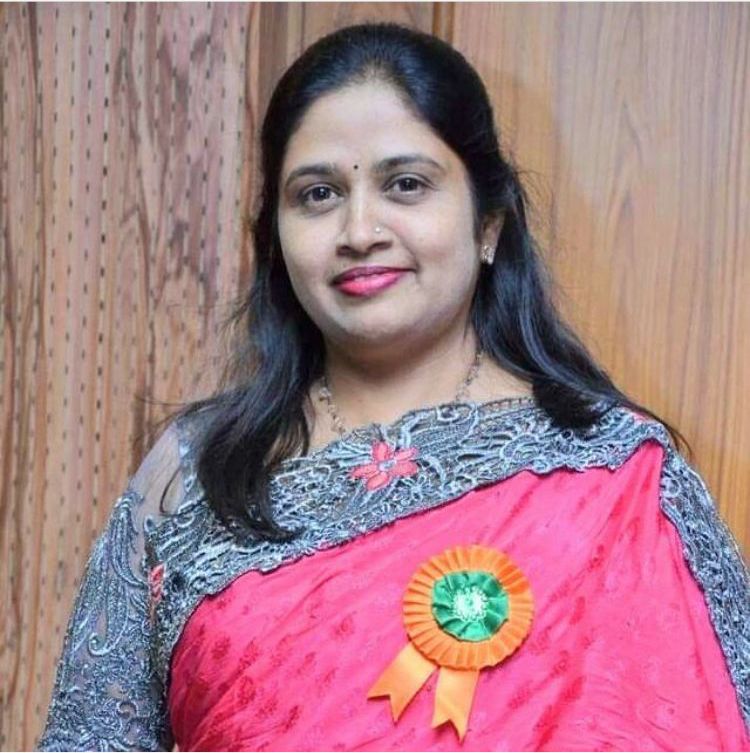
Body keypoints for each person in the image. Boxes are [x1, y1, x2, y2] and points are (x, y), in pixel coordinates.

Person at [38, 21, 748, 752]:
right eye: (318, 194)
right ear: (276, 236)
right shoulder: (195, 473)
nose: (359, 230)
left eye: (405, 184)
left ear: (488, 225)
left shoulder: (618, 478)